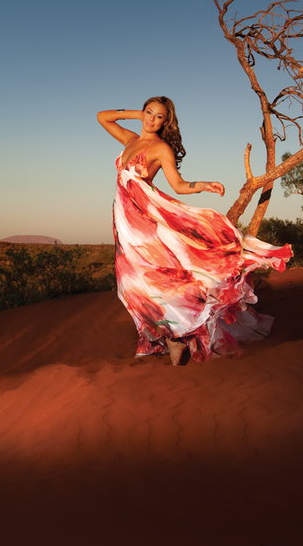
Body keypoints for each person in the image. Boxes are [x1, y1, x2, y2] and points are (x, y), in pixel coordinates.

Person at [97, 96, 292, 365]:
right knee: (128, 285)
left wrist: (204, 185)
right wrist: (140, 114)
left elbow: (178, 185)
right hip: (123, 222)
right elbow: (102, 116)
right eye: (149, 113)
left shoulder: (160, 148)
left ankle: (177, 337)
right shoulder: (130, 140)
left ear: (167, 122)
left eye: (159, 117)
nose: (152, 120)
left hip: (142, 222)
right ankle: (170, 339)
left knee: (145, 281)